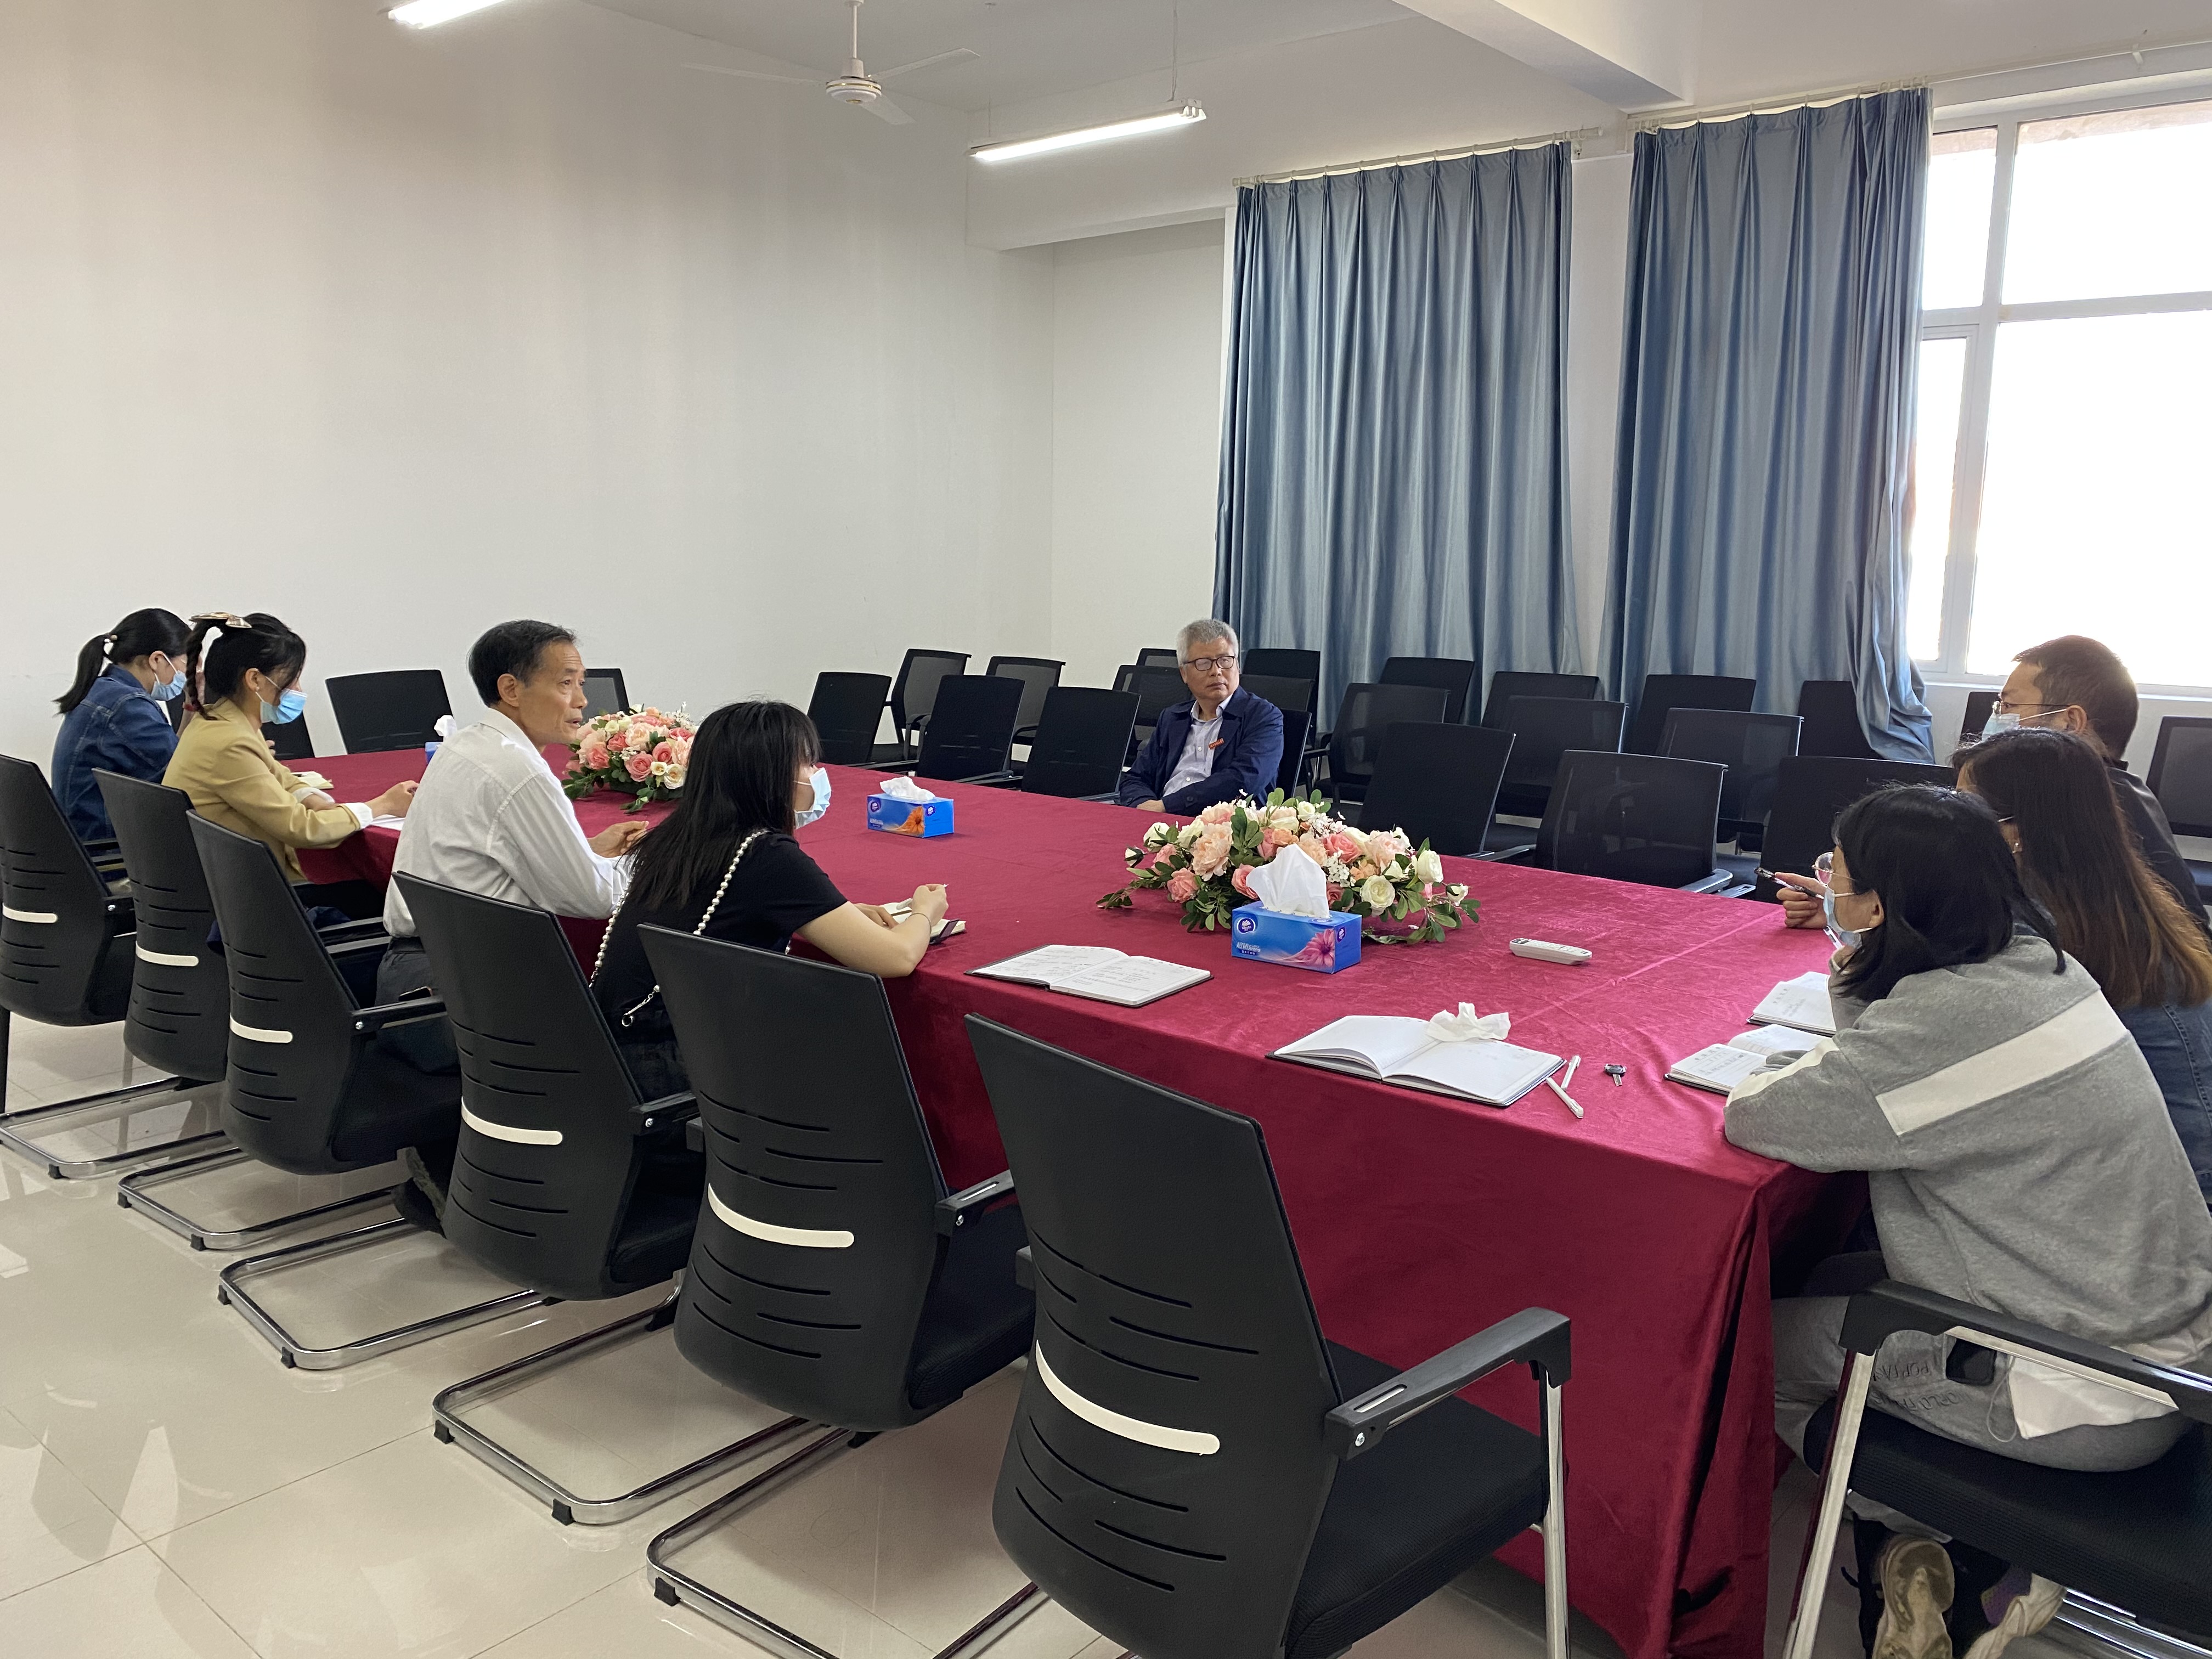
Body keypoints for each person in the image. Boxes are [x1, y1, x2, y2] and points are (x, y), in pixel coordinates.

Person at [1725, 785, 2212, 1659]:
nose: (1827, 884)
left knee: (1749, 1353)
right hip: (2170, 1352)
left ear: (1878, 906)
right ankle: (1952, 1550)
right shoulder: (2046, 968)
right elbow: (1879, 1058)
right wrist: (1863, 954)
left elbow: (1759, 1115)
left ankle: (1938, 1535)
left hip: (2077, 1389)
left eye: (1839, 875)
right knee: (1831, 1276)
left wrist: (1849, 962)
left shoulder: (1940, 1024)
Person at [589, 699, 947, 1098]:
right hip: (680, 1071)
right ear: (771, 776)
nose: (816, 774)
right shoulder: (767, 855)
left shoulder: (674, 836)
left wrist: (820, 918)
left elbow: (725, 912)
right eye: (807, 763)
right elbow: (895, 958)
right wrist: (925, 912)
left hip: (611, 1055)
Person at [1956, 727, 2212, 1206]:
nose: (1951, 827)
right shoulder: (2112, 904)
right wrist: (1849, 903)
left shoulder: (2044, 938)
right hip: (2167, 1174)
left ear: (2018, 832)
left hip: (2165, 1198)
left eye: (1965, 811)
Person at [162, 613, 414, 913]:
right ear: (255, 680)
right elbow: (301, 829)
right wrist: (382, 806)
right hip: (248, 897)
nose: (298, 689)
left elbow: (278, 774)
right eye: (292, 679)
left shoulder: (222, 721)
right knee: (392, 897)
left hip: (222, 878)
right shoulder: (229, 742)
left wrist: (313, 799)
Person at [1983, 636, 2204, 926]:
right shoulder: (2123, 792)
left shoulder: (2075, 807)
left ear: (2070, 722)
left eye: (2009, 705)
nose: (1998, 716)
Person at [50, 608, 191, 842]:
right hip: (107, 851)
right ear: (157, 660)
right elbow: (184, 774)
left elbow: (173, 758)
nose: (187, 673)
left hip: (81, 842)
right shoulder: (128, 706)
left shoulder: (105, 689)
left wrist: (191, 707)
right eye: (187, 662)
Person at [1117, 619, 1284, 815]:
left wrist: (1167, 806)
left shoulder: (1263, 716)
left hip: (1223, 825)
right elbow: (1136, 778)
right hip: (1160, 819)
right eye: (1203, 663)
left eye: (1225, 660)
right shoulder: (1173, 718)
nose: (1216, 671)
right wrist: (1143, 806)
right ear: (1184, 674)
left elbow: (1243, 780)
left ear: (1237, 665)